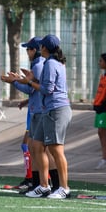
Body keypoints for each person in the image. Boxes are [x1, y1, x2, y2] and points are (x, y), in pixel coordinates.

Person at [15, 34, 72, 199]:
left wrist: (29, 82)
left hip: (57, 109)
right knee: (37, 146)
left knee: (56, 149)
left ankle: (64, 188)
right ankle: (43, 186)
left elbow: (47, 89)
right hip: (50, 109)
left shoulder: (51, 64)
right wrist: (31, 79)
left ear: (43, 48)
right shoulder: (51, 63)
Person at [1, 37, 60, 194]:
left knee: (44, 150)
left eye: (29, 49)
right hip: (36, 110)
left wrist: (13, 82)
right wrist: (26, 100)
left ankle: (54, 184)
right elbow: (34, 90)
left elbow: (34, 88)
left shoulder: (40, 65)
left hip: (41, 112)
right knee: (34, 149)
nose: (27, 52)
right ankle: (37, 183)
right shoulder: (38, 64)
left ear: (36, 50)